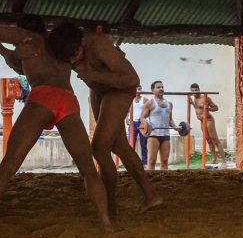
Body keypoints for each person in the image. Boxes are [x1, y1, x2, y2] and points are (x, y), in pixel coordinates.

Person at [0, 16, 114, 236]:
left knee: (9, 165)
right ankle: (106, 224)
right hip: (68, 99)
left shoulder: (27, 38)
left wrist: (8, 53)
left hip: (43, 97)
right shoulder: (58, 45)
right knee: (88, 170)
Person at [48, 23, 162, 218]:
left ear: (81, 43)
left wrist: (94, 75)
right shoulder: (64, 48)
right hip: (99, 89)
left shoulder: (99, 45)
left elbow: (132, 79)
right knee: (119, 147)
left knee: (99, 147)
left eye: (75, 56)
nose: (73, 62)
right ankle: (150, 195)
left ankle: (109, 205)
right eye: (69, 60)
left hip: (119, 89)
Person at [140, 80, 182, 170]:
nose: (161, 89)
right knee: (151, 161)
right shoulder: (149, 103)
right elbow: (142, 118)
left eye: (162, 87)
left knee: (165, 161)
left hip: (165, 135)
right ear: (153, 90)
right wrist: (147, 125)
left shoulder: (169, 104)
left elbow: (170, 120)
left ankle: (164, 183)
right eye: (158, 87)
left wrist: (176, 127)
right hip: (153, 135)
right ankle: (149, 182)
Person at [189, 83, 226, 168]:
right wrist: (193, 104)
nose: (195, 92)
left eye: (196, 90)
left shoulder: (205, 98)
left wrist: (208, 108)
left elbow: (216, 108)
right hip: (202, 121)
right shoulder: (194, 99)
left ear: (199, 90)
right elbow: (199, 109)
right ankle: (214, 159)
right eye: (193, 91)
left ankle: (224, 161)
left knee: (215, 140)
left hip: (209, 120)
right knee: (208, 140)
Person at [126, 85, 149, 165]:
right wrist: (126, 118)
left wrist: (143, 118)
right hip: (133, 123)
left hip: (142, 123)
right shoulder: (130, 99)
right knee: (131, 143)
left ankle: (145, 162)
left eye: (139, 89)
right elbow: (127, 110)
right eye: (136, 89)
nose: (137, 91)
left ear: (141, 90)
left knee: (143, 143)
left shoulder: (145, 100)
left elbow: (149, 111)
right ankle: (131, 162)